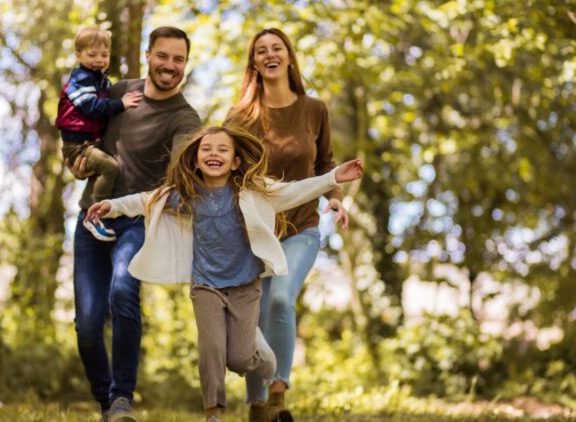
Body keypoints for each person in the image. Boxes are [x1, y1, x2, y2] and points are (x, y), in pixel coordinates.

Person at [85, 126, 364, 422]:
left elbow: (294, 191)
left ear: (235, 161)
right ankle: (213, 414)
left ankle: (263, 355)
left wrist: (333, 178)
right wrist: (111, 206)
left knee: (240, 359)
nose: (213, 154)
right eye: (206, 149)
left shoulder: (253, 193)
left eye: (222, 150)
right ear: (195, 160)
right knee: (212, 349)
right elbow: (145, 200)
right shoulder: (185, 194)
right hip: (205, 285)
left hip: (246, 285)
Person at [70, 26, 201, 422]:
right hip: (92, 219)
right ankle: (106, 402)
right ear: (148, 55)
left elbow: (181, 171)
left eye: (178, 59)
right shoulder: (114, 94)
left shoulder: (185, 117)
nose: (170, 66)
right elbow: (78, 134)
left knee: (124, 291)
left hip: (138, 222)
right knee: (88, 326)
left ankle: (123, 398)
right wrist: (75, 162)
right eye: (163, 56)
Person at [225, 28, 349, 422]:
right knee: (253, 316)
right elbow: (223, 168)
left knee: (279, 300)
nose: (269, 54)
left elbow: (326, 163)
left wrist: (335, 198)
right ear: (255, 64)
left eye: (276, 48)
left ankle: (278, 395)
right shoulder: (241, 116)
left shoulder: (315, 109)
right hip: (254, 233)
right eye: (261, 51)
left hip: (302, 227)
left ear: (289, 57)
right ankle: (257, 407)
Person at [56, 27, 143, 241]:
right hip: (78, 145)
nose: (99, 60)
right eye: (92, 55)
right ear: (78, 56)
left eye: (104, 55)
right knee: (110, 167)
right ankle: (95, 215)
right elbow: (92, 107)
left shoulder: (100, 80)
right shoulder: (81, 79)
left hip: (89, 143)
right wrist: (120, 104)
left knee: (111, 164)